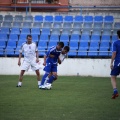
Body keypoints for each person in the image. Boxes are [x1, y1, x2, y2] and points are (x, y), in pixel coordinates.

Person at [110, 30, 120, 99]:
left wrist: (111, 63)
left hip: (118, 62)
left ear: (117, 35)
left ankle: (115, 91)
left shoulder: (116, 43)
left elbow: (114, 53)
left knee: (113, 76)